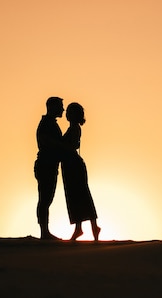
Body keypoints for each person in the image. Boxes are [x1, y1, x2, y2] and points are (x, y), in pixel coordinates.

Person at [61, 102, 100, 241]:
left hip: (73, 164)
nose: (67, 114)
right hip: (70, 164)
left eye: (70, 112)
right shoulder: (73, 128)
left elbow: (70, 146)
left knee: (82, 195)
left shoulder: (74, 128)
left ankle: (92, 227)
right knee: (75, 197)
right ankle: (80, 228)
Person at [34, 96, 66, 240]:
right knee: (45, 199)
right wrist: (64, 146)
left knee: (46, 199)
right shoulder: (46, 123)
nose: (63, 109)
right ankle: (44, 232)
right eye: (60, 106)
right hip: (46, 164)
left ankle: (45, 231)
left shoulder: (50, 123)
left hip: (50, 165)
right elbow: (47, 142)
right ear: (52, 107)